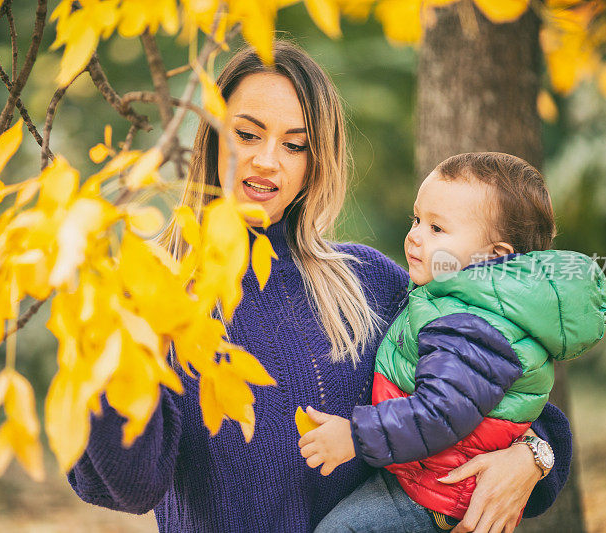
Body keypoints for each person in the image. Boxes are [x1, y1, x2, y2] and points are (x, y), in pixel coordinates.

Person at [68, 42, 575, 532]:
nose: (269, 161)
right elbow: (129, 488)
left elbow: (502, 389)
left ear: (315, 164)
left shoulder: (367, 282)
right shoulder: (156, 291)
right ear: (211, 137)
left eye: (295, 145)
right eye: (247, 134)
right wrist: (112, 341)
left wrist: (531, 459)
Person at [305, 152, 606, 532]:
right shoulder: (451, 301)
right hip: (421, 480)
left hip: (433, 501)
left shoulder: (471, 325)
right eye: (416, 219)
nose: (415, 235)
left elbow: (440, 414)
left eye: (437, 228)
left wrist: (355, 434)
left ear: (494, 257)